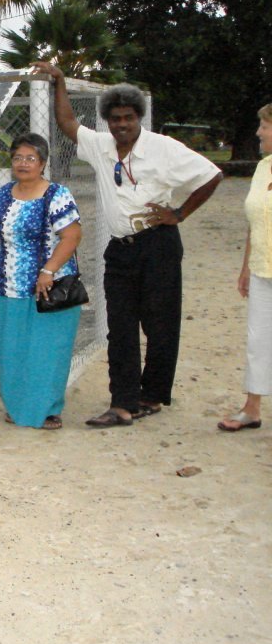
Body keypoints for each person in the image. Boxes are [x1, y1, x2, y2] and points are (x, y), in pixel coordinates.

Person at [32, 62, 223, 427]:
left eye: (129, 118)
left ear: (139, 117)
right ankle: (122, 402)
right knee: (120, 327)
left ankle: (152, 396)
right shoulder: (101, 145)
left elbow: (211, 175)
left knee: (160, 325)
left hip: (159, 245)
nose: (122, 124)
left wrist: (179, 213)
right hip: (120, 248)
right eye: (115, 118)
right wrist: (59, 81)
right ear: (107, 120)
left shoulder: (163, 148)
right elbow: (67, 123)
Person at [0, 133, 82, 429]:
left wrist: (48, 271)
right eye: (18, 157)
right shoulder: (4, 194)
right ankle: (18, 406)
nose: (23, 163)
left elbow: (72, 236)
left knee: (47, 351)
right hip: (8, 286)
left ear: (42, 163)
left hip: (51, 288)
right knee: (12, 350)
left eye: (30, 158)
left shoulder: (57, 195)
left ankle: (47, 409)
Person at [220, 104, 272, 432]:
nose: (258, 132)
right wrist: (246, 268)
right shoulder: (263, 167)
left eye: (264, 126)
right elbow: (255, 220)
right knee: (258, 340)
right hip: (262, 268)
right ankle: (252, 408)